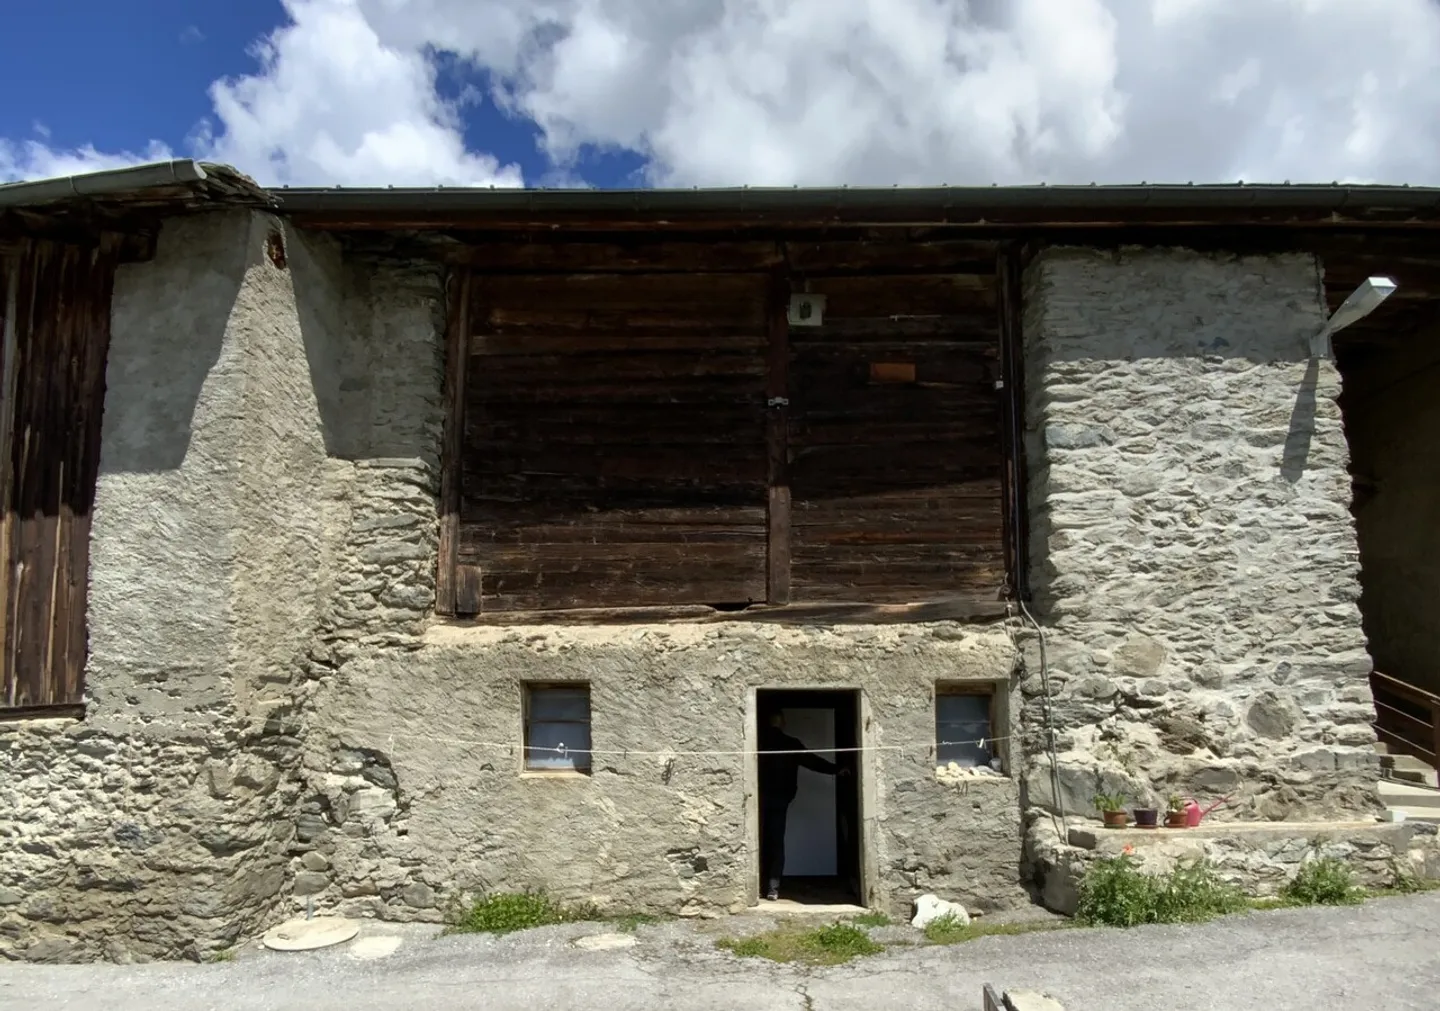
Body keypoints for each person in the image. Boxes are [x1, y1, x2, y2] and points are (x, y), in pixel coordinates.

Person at [757, 712, 847, 901]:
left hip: (757, 797)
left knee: (758, 839)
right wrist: (836, 769)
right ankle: (772, 888)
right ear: (783, 723)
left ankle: (758, 884)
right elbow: (813, 762)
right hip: (781, 797)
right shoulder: (791, 743)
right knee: (776, 840)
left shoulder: (758, 742)